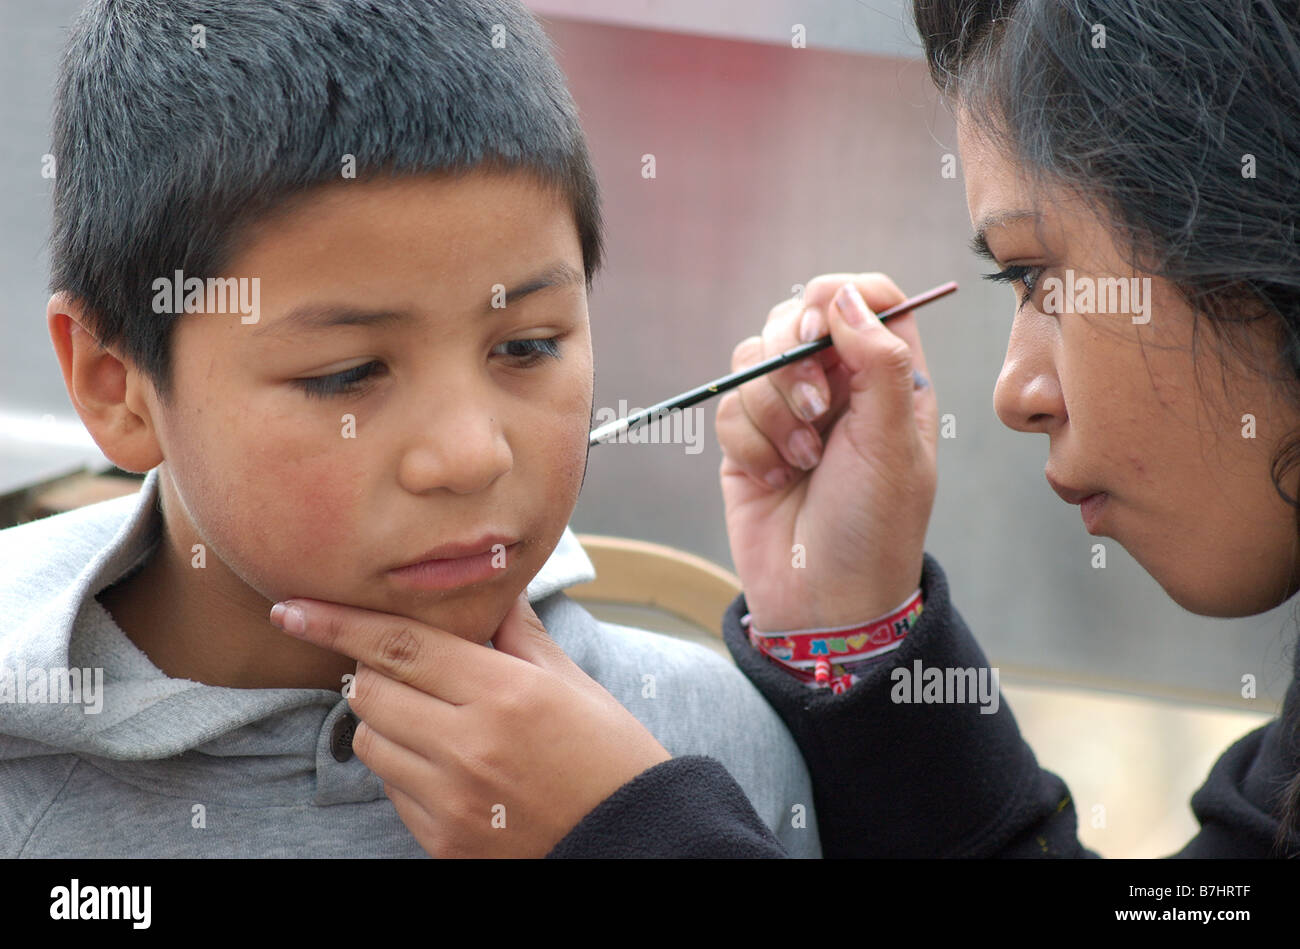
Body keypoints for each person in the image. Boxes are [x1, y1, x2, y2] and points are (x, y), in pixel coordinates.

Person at [276, 0, 1300, 858]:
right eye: (347, 371)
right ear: (118, 389)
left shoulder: (701, 728)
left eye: (1038, 277)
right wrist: (849, 626)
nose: (1016, 391)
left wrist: (631, 836)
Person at [0, 0, 821, 858]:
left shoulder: (699, 758)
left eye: (528, 345)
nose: (472, 454)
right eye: (347, 374)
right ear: (117, 384)